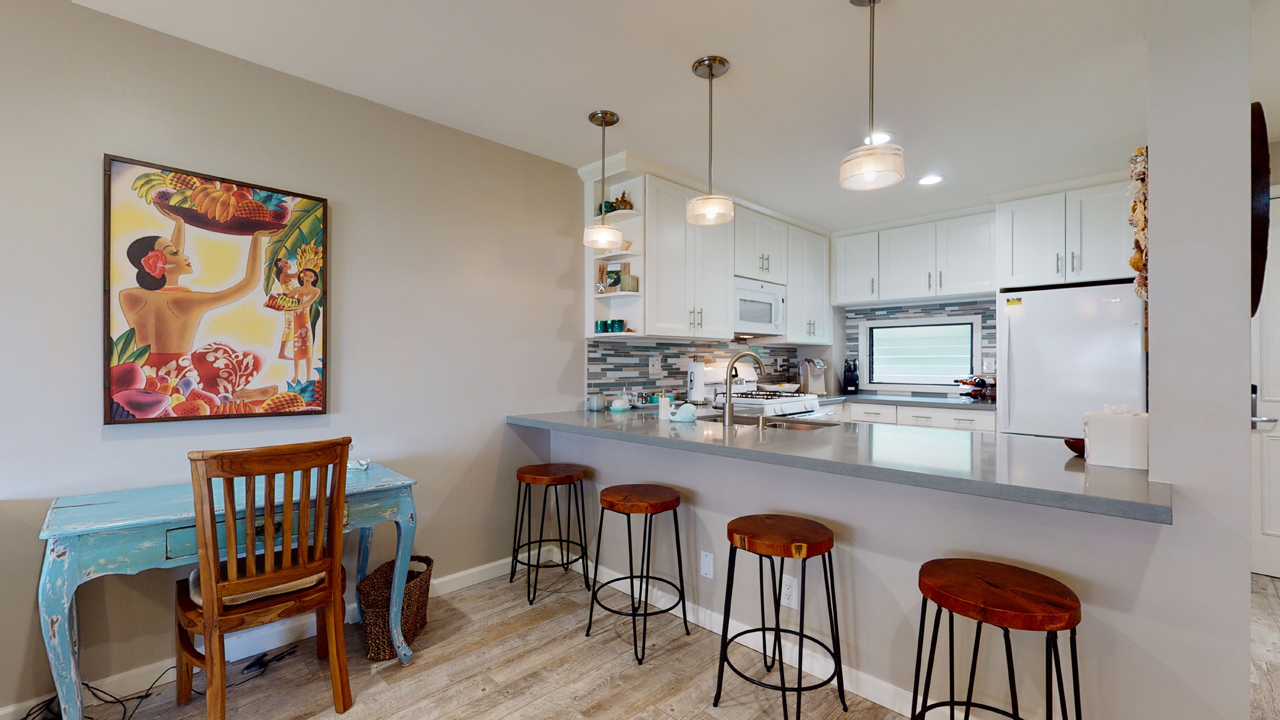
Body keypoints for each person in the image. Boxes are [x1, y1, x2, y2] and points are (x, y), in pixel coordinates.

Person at [119, 205, 280, 398]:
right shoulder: (187, 301)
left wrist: (180, 223)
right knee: (254, 357)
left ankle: (232, 394)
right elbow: (248, 283)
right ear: (159, 263)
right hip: (186, 380)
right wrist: (256, 239)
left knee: (217, 349)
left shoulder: (129, 296)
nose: (185, 256)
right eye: (176, 253)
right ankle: (235, 396)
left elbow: (164, 274)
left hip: (146, 375)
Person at [285, 268, 322, 382]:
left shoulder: (315, 290)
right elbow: (286, 299)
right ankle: (296, 375)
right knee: (297, 347)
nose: (309, 278)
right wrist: (279, 304)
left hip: (305, 319)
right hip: (297, 319)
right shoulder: (298, 290)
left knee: (307, 346)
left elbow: (307, 303)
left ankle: (308, 376)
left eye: (311, 277)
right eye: (307, 276)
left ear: (314, 279)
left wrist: (289, 308)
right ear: (302, 277)